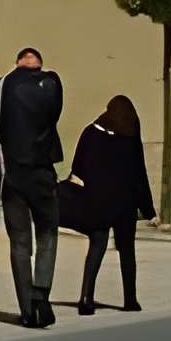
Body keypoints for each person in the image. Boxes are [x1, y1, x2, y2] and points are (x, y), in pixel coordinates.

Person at [0, 47, 67, 327]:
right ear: (38, 64)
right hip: (42, 173)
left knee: (19, 242)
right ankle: (41, 294)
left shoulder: (0, 86)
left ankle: (26, 309)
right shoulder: (52, 84)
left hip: (10, 175)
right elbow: (55, 113)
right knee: (48, 233)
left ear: (16, 63)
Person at [69, 94, 156, 315]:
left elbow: (78, 166)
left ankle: (86, 299)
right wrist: (148, 209)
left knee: (97, 247)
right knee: (127, 252)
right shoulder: (130, 135)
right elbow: (140, 173)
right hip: (125, 203)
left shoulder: (91, 132)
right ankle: (130, 300)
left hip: (98, 200)